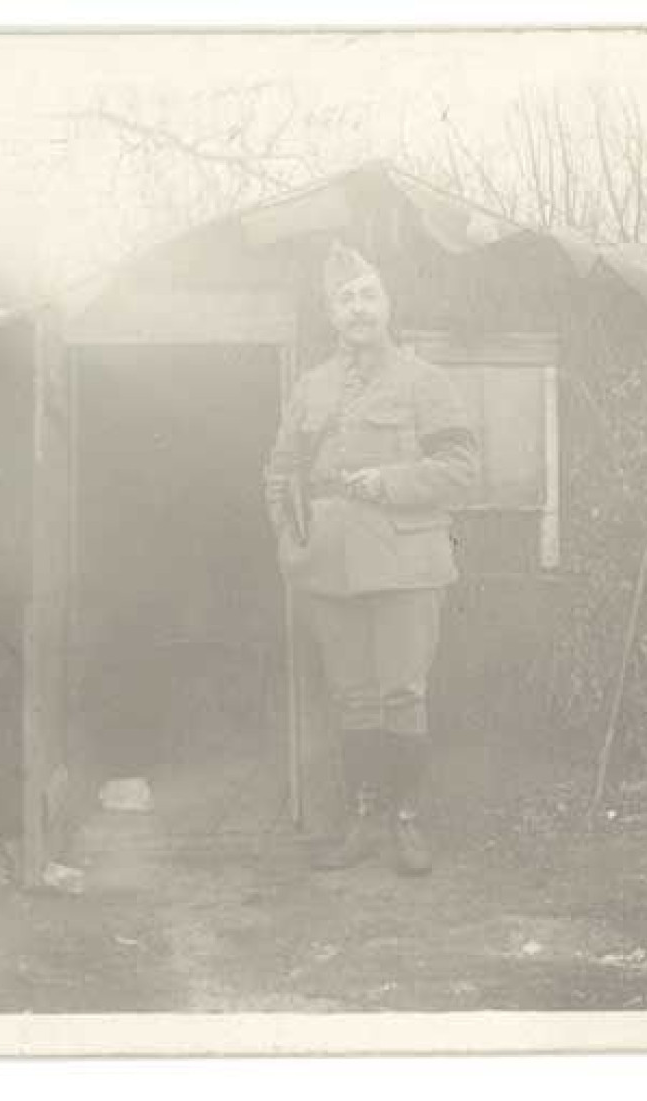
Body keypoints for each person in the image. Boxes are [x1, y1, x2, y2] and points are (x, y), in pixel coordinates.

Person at [264, 242, 479, 876]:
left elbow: (461, 469)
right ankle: (363, 820)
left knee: (402, 695)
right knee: (352, 698)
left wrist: (389, 481)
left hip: (406, 562)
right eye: (344, 299)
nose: (357, 308)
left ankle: (407, 823)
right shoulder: (311, 388)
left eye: (367, 295)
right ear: (330, 314)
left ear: (387, 305)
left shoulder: (423, 381)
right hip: (329, 566)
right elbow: (279, 474)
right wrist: (289, 542)